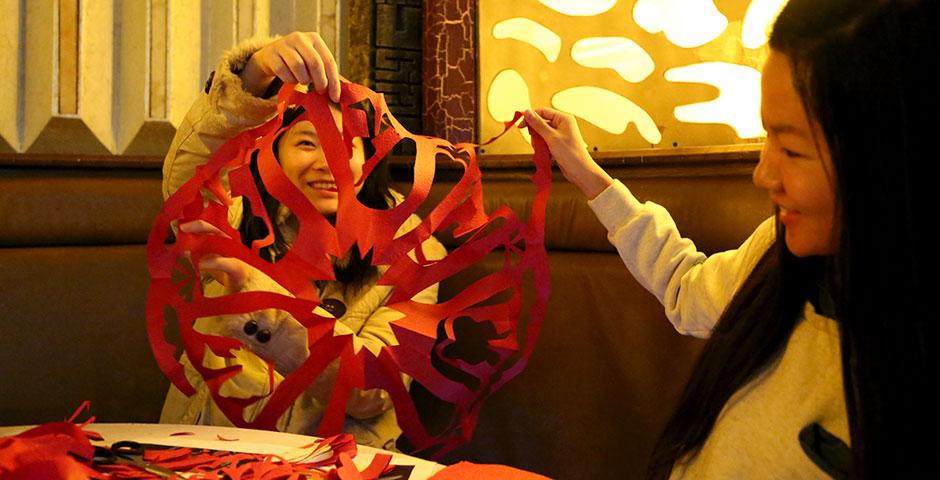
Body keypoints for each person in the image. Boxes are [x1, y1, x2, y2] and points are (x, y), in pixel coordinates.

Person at [523, 0, 937, 477]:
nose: (764, 173)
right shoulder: (778, 255)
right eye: (767, 139)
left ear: (894, 155)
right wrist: (587, 173)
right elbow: (686, 285)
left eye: (792, 149)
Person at [158, 32, 446, 451]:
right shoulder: (242, 213)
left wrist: (261, 302)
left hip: (329, 463)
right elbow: (187, 185)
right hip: (205, 451)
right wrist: (254, 77)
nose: (327, 161)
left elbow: (375, 390)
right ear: (276, 152)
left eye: (347, 145)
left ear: (368, 162)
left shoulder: (415, 251)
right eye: (308, 142)